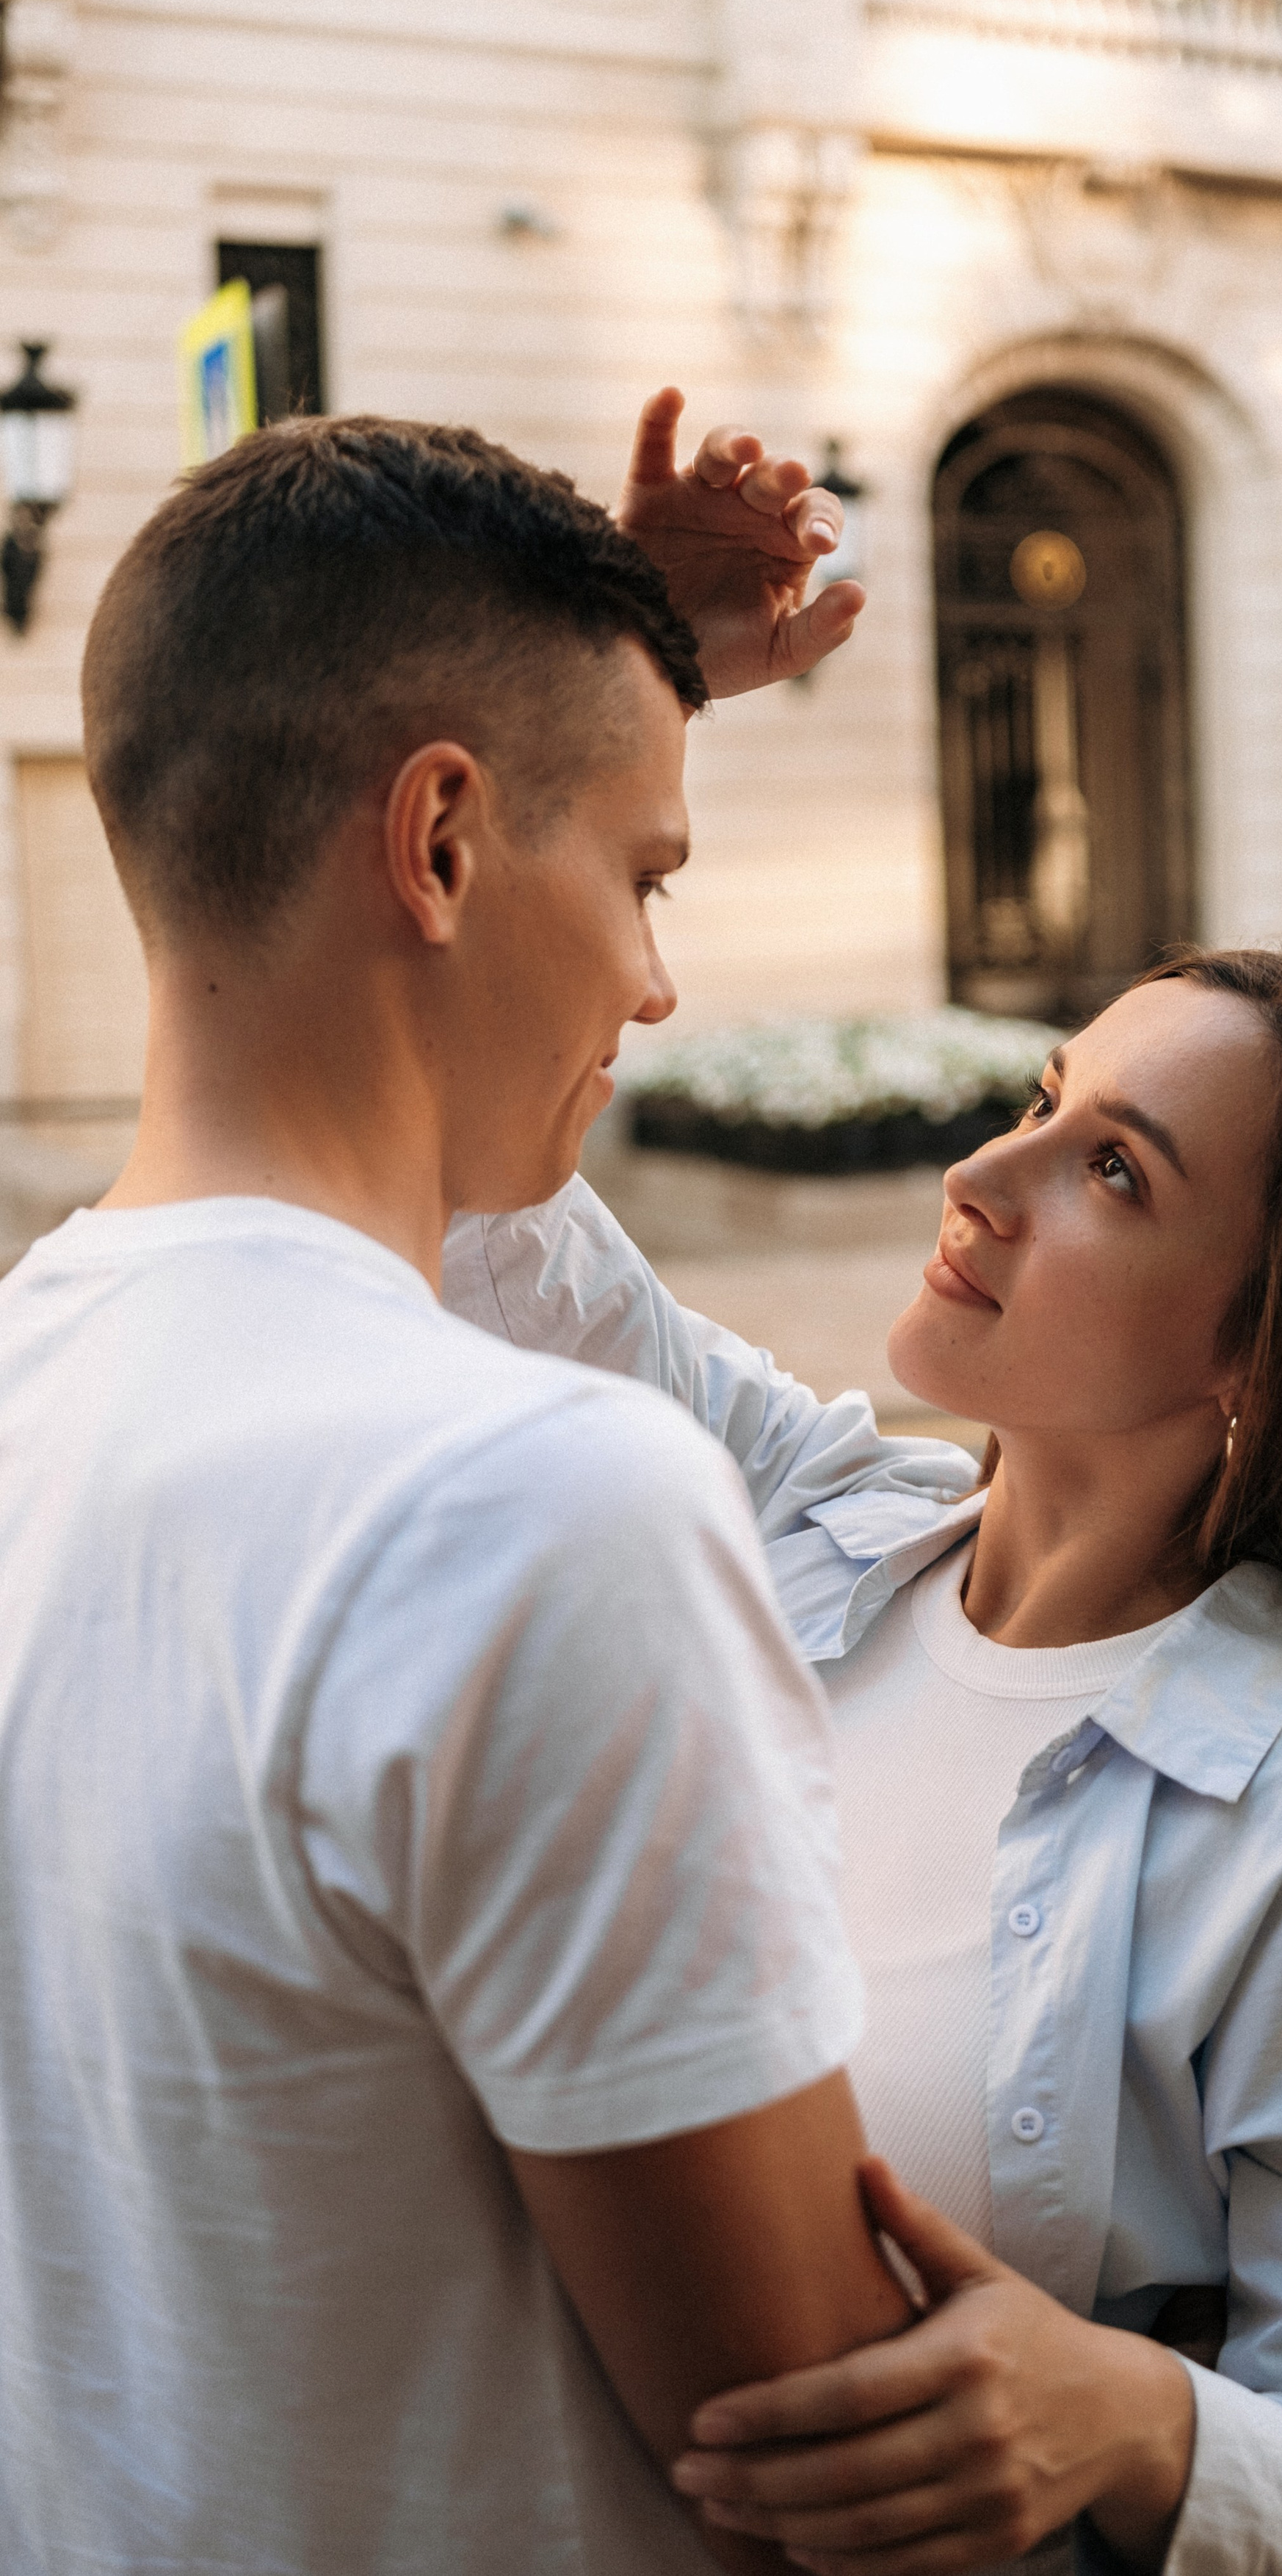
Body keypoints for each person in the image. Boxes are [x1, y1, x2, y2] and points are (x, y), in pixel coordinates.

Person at [0, 402, 986, 2575]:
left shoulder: (38, 1392)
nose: (652, 980)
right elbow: (835, 2463)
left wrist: (601, 692)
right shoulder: (537, 1510)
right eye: (642, 878)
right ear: (439, 841)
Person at [450, 950, 1282, 2576]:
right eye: (1041, 1100)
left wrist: (1125, 2411)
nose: (977, 1176)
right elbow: (491, 1220)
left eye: (1110, 1167)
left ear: (1259, 1350)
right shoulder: (799, 1523)